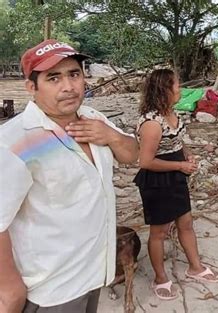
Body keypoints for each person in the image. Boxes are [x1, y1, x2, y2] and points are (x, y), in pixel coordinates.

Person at [0, 39, 138, 313]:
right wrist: (8, 287)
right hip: (52, 289)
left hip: (95, 272)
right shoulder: (14, 142)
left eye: (74, 74)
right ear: (32, 87)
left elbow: (131, 154)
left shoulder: (92, 117)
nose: (68, 86)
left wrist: (110, 135)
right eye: (54, 78)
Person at [134, 69, 218, 300]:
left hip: (176, 175)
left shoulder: (173, 113)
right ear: (164, 91)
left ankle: (195, 267)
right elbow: (146, 161)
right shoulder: (152, 123)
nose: (180, 90)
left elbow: (178, 143)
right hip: (157, 179)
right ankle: (160, 278)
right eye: (176, 86)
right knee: (159, 232)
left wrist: (188, 157)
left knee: (186, 222)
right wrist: (179, 167)